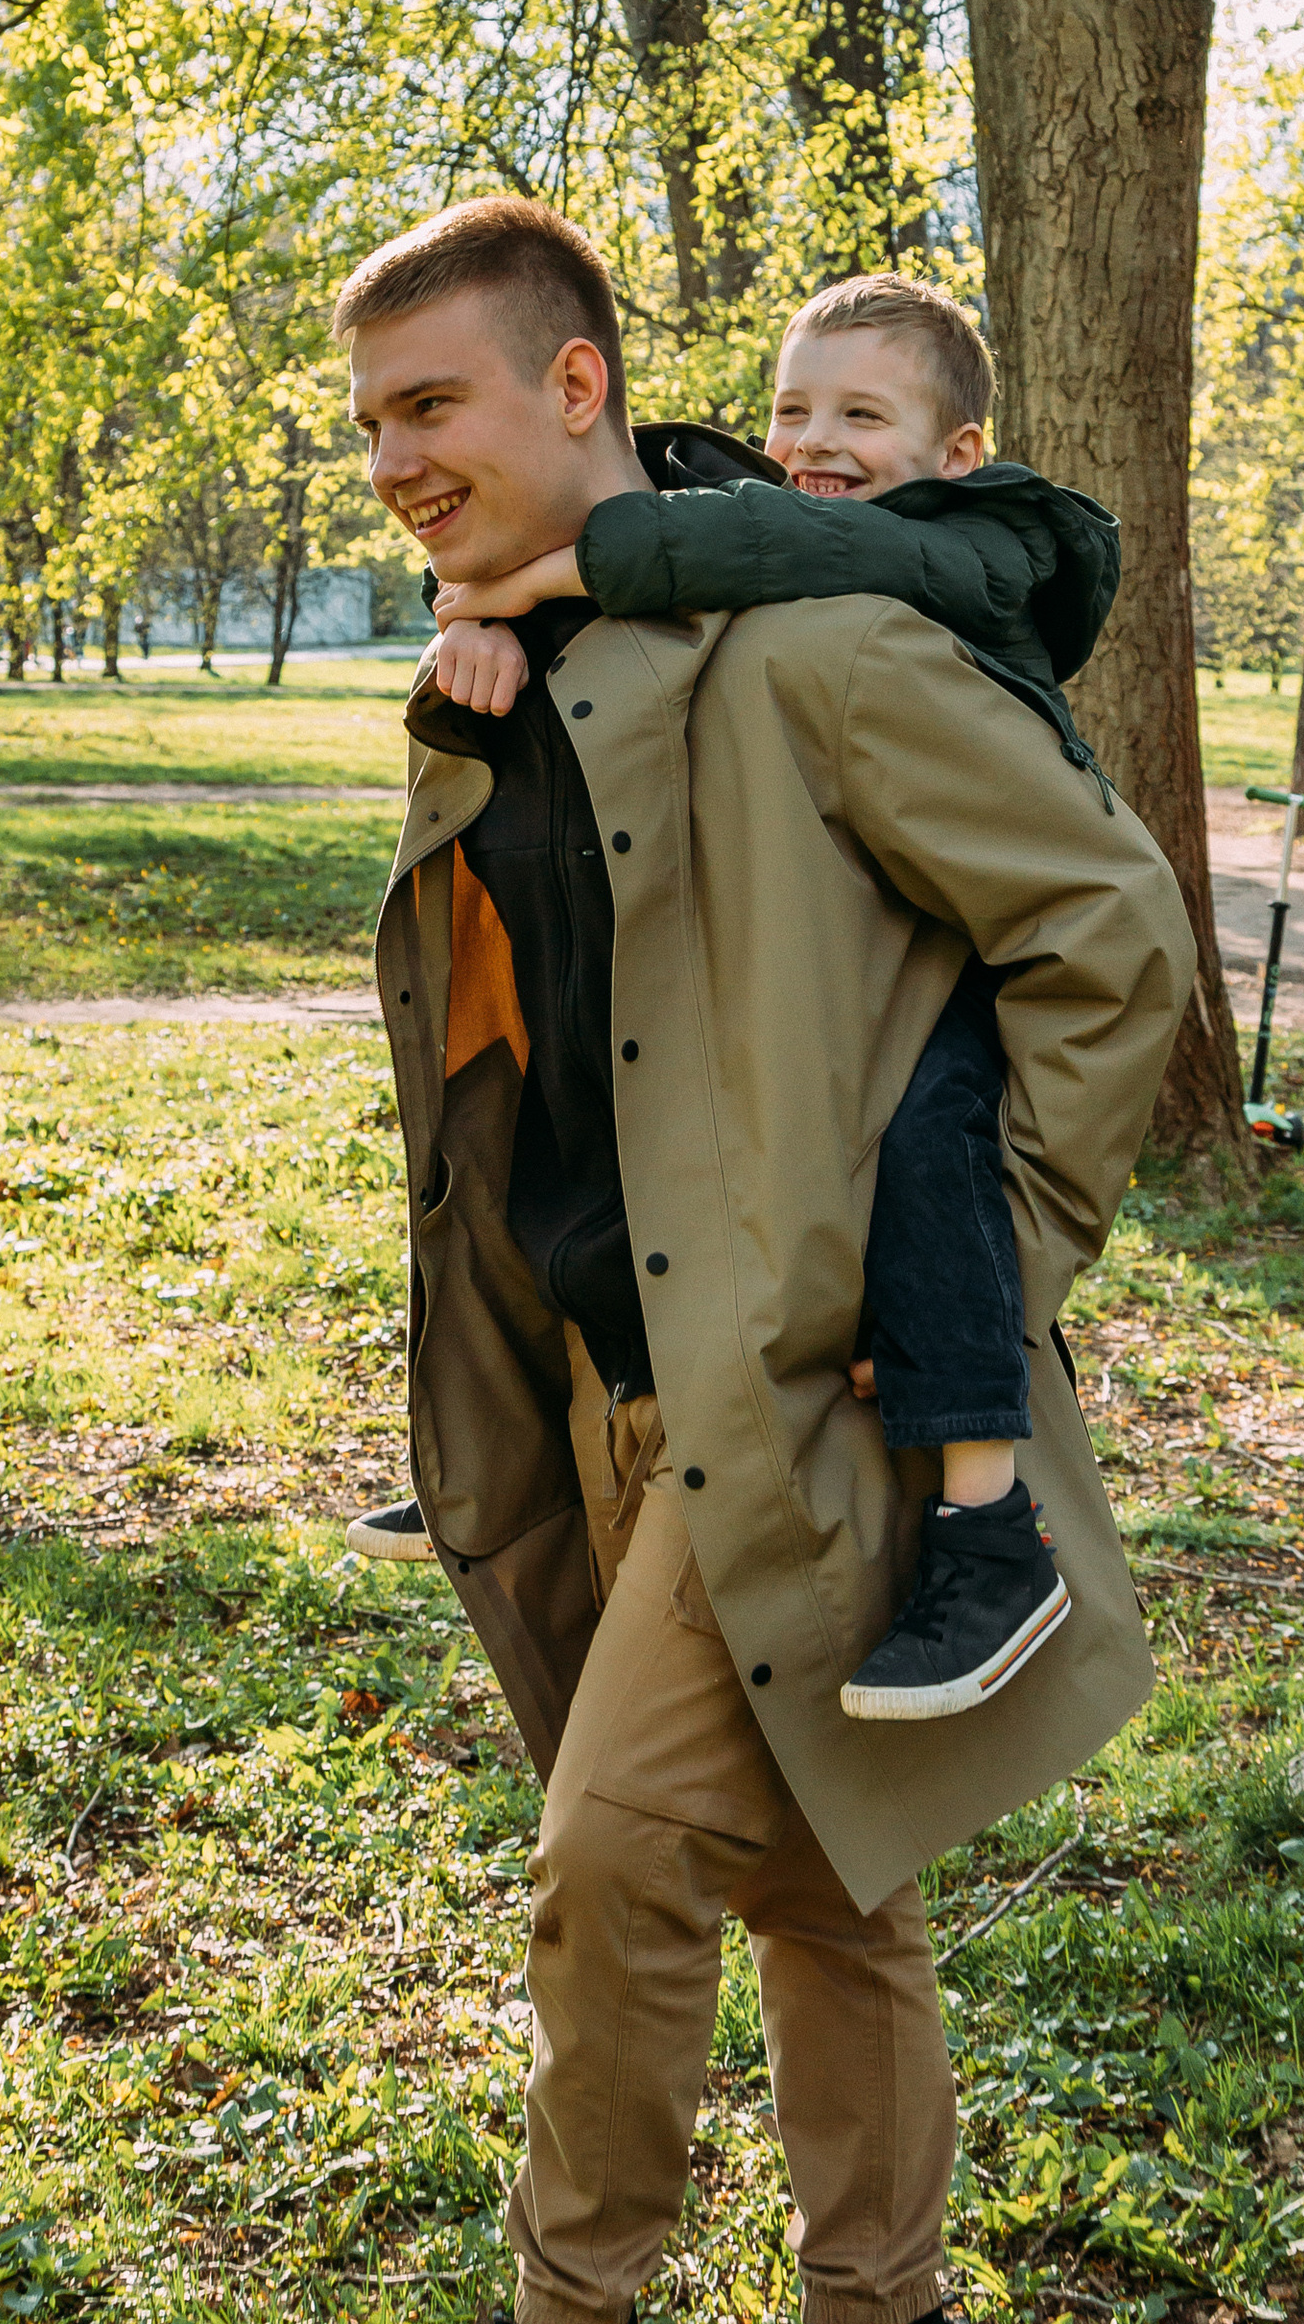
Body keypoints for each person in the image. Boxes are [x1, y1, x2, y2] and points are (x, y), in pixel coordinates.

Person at [340, 195, 1191, 2324]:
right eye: (372, 421)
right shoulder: (518, 652)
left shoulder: (808, 643)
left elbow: (1109, 936)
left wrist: (974, 1289)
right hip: (606, 1387)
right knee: (827, 1874)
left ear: (576, 385)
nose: (396, 457)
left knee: (608, 1857)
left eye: (434, 406)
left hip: (792, 1396)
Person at [357, 270, 1123, 1722]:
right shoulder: (795, 552)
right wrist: (501, 626)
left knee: (927, 1144)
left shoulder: (965, 548)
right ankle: (494, 1455)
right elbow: (719, 547)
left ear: (959, 452)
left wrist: (548, 573)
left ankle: (991, 1523)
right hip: (842, 966)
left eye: (861, 416)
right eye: (792, 411)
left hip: (946, 956)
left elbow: (747, 540)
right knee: (826, 1895)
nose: (813, 442)